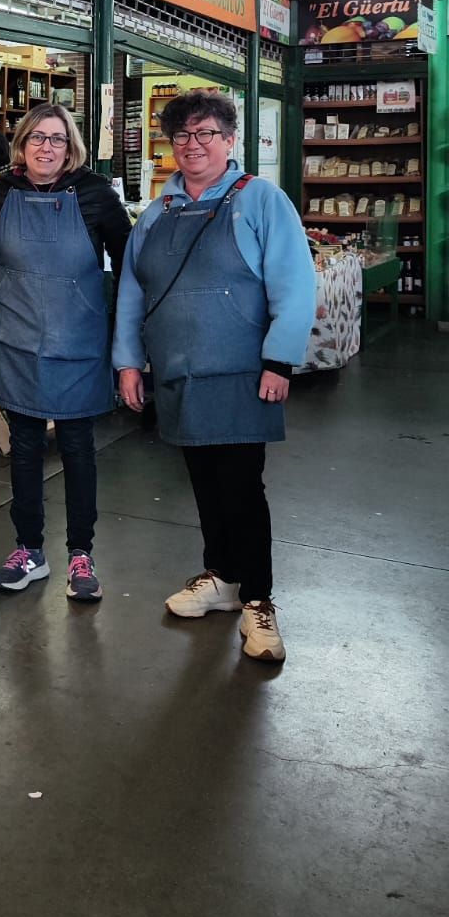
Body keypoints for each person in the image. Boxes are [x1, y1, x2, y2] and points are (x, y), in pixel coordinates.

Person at [113, 88, 316, 663]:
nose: (193, 145)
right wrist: (129, 361)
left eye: (206, 134)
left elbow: (296, 284)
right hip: (177, 373)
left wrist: (279, 359)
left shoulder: (261, 200)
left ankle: (258, 600)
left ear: (230, 140)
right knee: (203, 480)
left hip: (242, 374)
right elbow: (132, 292)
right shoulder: (158, 211)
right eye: (182, 136)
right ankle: (222, 577)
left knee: (241, 487)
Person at [0, 103, 131, 600]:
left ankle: (81, 554)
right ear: (22, 144)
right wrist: (2, 299)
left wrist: (112, 320)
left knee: (79, 449)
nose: (46, 148)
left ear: (71, 147)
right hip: (16, 340)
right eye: (37, 137)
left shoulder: (95, 195)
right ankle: (29, 551)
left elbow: (128, 259)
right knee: (25, 449)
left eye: (57, 139)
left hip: (79, 339)